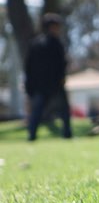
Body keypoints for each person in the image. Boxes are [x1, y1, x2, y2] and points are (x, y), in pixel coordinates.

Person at [24, 12, 73, 141]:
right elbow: (61, 64)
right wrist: (62, 78)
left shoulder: (35, 44)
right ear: (51, 27)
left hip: (40, 85)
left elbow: (28, 67)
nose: (58, 30)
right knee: (63, 110)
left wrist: (30, 85)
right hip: (54, 83)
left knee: (38, 110)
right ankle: (67, 134)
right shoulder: (56, 44)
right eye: (56, 27)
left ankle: (32, 135)